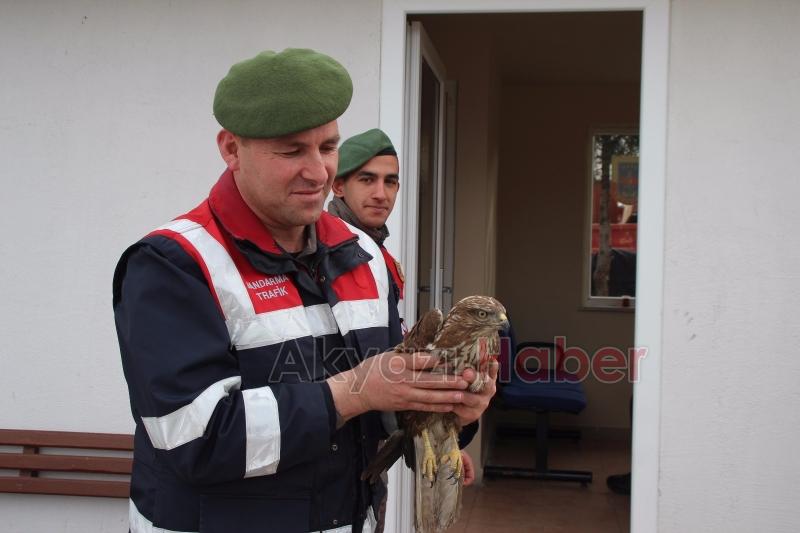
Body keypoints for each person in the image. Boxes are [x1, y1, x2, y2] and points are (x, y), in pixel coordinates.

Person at [113, 49, 497, 533]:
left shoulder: (365, 253)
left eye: (329, 147)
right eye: (293, 151)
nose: (319, 172)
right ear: (231, 149)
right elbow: (197, 442)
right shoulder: (174, 264)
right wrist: (352, 391)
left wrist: (448, 410)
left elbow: (387, 402)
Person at [328, 128, 480, 486]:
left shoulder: (380, 257)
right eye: (367, 179)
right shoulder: (326, 253)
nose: (381, 194)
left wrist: (440, 439)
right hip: (329, 449)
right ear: (338, 185)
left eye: (391, 182)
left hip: (366, 451)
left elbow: (391, 356)